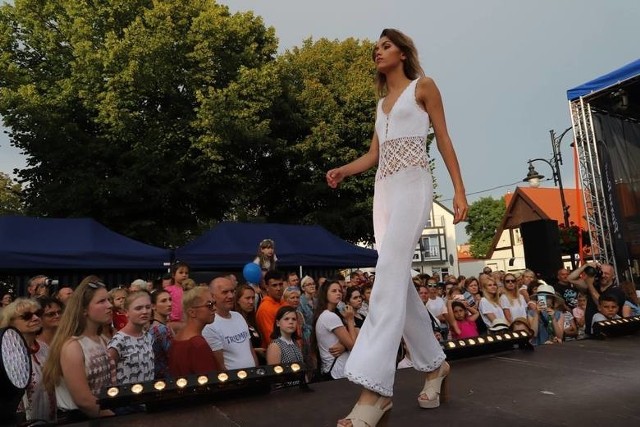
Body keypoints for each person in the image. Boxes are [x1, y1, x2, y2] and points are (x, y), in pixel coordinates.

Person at [326, 28, 468, 427]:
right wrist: (343, 170)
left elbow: (443, 138)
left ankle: (376, 391)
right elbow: (374, 154)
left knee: (387, 274)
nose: (378, 51)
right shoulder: (381, 103)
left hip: (413, 185)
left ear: (403, 53)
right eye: (376, 48)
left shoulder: (424, 87)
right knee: (397, 280)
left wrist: (459, 191)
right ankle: (435, 366)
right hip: (383, 190)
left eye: (386, 46)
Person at [42, 276, 115, 420]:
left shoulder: (100, 339)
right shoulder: (72, 347)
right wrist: (115, 418)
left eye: (108, 299)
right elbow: (83, 401)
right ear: (84, 310)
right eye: (101, 301)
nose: (109, 305)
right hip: (78, 419)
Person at [1, 298, 56, 423]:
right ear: (10, 323)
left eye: (38, 313)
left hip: (48, 419)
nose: (36, 318)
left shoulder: (44, 348)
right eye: (27, 316)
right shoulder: (6, 354)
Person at [203, 277, 258, 370]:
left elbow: (250, 350)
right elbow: (219, 365)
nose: (231, 296)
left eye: (232, 291)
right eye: (225, 292)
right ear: (212, 296)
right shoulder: (210, 325)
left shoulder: (238, 316)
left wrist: (257, 371)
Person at [168, 286, 219, 377]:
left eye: (214, 303)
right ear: (192, 312)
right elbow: (210, 381)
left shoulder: (178, 338)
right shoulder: (197, 344)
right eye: (209, 305)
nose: (214, 308)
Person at [313, 280, 357, 380]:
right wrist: (350, 320)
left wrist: (344, 346)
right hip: (339, 372)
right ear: (325, 294)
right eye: (333, 291)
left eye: (339, 291)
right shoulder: (329, 317)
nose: (338, 293)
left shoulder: (330, 315)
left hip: (339, 369)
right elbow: (353, 346)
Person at [107, 291, 154, 385]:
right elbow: (108, 375)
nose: (144, 311)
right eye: (138, 308)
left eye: (148, 307)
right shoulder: (119, 341)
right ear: (126, 312)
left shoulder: (148, 336)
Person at [234, 284, 265, 363]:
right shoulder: (234, 322)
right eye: (247, 298)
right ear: (238, 300)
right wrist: (255, 350)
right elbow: (236, 348)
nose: (251, 302)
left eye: (253, 298)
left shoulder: (252, 320)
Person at [148, 289, 174, 379]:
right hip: (164, 378)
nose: (169, 304)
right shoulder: (160, 329)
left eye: (170, 299)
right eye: (164, 301)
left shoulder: (158, 326)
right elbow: (173, 355)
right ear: (153, 306)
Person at [256, 270, 286, 348]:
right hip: (278, 354)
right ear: (267, 287)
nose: (279, 288)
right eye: (274, 285)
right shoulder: (265, 308)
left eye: (280, 284)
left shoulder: (284, 303)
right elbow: (271, 338)